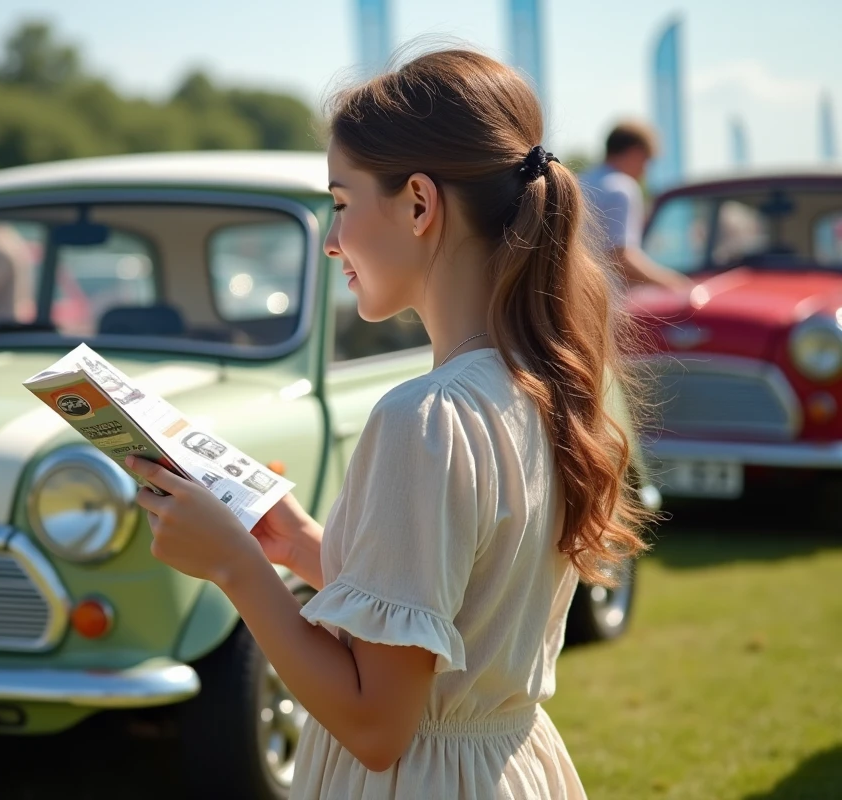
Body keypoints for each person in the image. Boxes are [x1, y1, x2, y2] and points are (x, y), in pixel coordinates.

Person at [124, 48, 653, 799]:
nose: (332, 242)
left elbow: (378, 727)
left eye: (340, 204)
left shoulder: (424, 418)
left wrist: (235, 569)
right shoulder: (540, 384)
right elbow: (453, 626)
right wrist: (303, 545)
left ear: (417, 203)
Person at [580, 120, 694, 290]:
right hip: (605, 300)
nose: (645, 171)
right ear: (636, 153)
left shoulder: (580, 181)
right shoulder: (621, 188)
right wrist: (676, 284)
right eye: (647, 161)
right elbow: (621, 258)